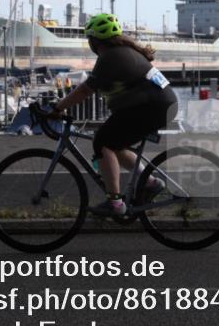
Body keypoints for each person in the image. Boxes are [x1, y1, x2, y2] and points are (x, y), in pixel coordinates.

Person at [52, 13, 177, 217]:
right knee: (115, 143)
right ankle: (150, 183)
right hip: (158, 105)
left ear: (94, 41)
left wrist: (57, 108)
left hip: (152, 106)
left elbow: (85, 90)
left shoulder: (111, 57)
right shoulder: (121, 52)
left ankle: (116, 204)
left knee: (103, 142)